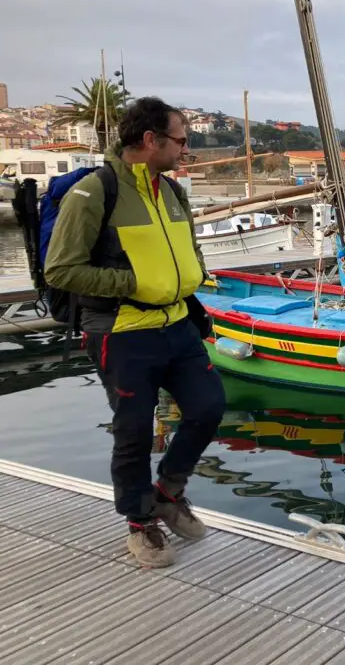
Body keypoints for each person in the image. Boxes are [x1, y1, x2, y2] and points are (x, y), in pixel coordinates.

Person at [45, 96, 225, 568]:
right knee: (134, 433)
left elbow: (184, 250)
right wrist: (131, 283)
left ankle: (167, 492)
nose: (186, 150)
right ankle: (139, 522)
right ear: (150, 140)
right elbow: (60, 270)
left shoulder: (171, 191)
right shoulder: (93, 192)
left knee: (209, 407)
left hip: (176, 321)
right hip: (122, 331)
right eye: (181, 140)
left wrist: (190, 284)